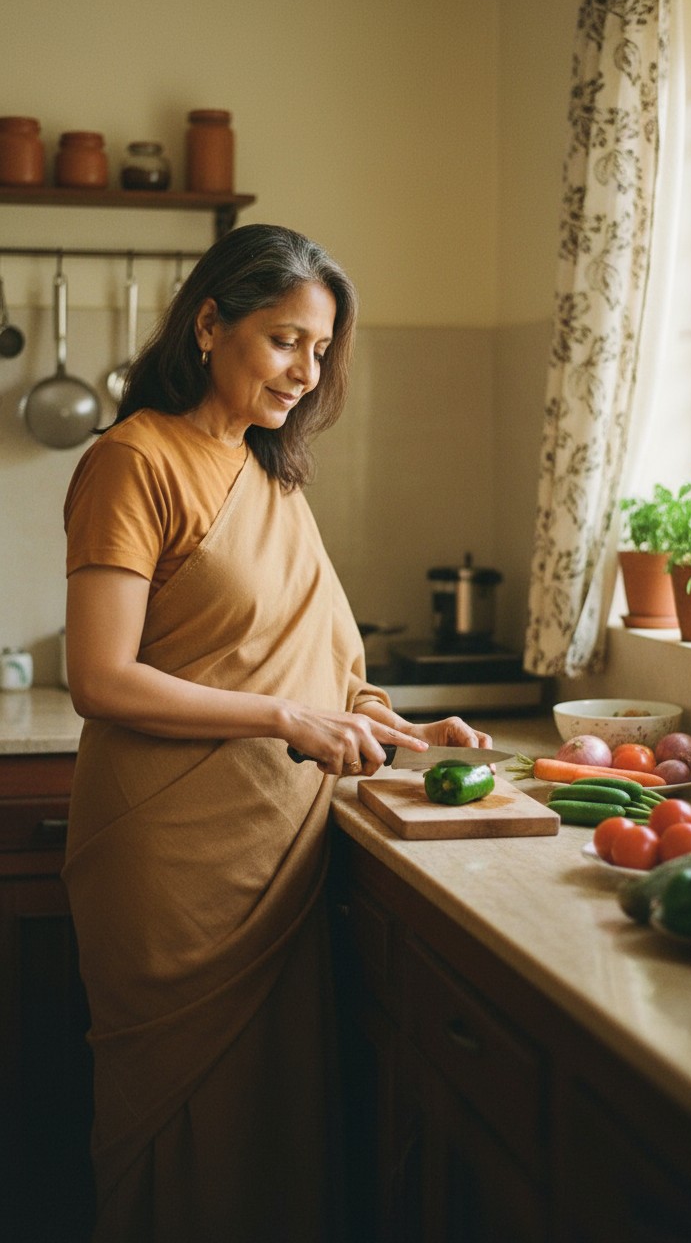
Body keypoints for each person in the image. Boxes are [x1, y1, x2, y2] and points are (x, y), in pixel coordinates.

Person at [62, 222, 493, 1243]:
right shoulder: (134, 460)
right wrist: (286, 718)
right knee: (176, 1121)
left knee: (271, 1131)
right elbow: (100, 677)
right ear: (209, 325)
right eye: (284, 339)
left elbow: (303, 662)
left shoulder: (270, 473)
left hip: (278, 842)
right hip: (171, 860)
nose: (307, 370)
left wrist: (406, 723)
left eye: (321, 348)